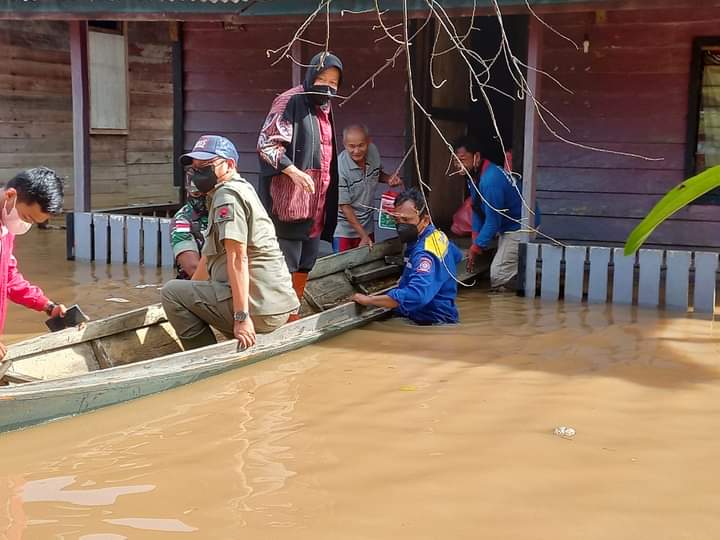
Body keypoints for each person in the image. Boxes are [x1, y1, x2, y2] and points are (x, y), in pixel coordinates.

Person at [162, 136, 299, 351]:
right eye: (195, 168)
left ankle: (201, 359)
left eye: (206, 167)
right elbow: (208, 258)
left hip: (259, 310)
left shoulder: (227, 197)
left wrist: (242, 317)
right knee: (184, 290)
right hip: (274, 303)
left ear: (230, 165)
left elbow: (238, 258)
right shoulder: (238, 189)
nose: (198, 174)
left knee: (170, 292)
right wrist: (191, 289)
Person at [257, 51, 342, 311]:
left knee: (307, 259)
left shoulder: (325, 106)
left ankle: (294, 309)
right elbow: (267, 145)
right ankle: (278, 313)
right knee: (286, 261)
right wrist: (293, 171)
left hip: (317, 201)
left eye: (334, 83)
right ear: (310, 76)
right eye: (322, 79)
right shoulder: (289, 101)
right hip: (291, 199)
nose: (327, 87)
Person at [352, 188, 461, 325]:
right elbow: (457, 255)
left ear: (425, 220)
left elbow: (417, 296)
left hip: (431, 322)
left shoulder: (425, 253)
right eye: (397, 219)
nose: (401, 225)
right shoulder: (436, 236)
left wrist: (370, 300)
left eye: (406, 220)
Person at [0, 167, 67, 360]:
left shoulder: (6, 226)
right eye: (27, 217)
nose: (25, 224)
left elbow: (8, 278)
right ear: (11, 195)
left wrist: (47, 306)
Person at [453, 135, 536, 291]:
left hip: (522, 224)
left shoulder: (489, 181)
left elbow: (493, 223)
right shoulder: (475, 174)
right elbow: (477, 208)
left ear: (476, 157)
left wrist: (475, 249)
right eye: (456, 160)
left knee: (498, 275)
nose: (458, 165)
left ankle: (525, 288)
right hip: (507, 223)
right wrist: (475, 239)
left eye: (462, 160)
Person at [334, 124, 403, 251]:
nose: (356, 150)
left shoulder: (373, 151)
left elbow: (376, 173)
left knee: (367, 265)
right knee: (343, 266)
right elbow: (345, 206)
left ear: (368, 141)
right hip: (344, 229)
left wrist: (389, 179)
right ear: (344, 144)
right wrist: (363, 236)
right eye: (352, 146)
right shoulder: (339, 168)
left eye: (361, 145)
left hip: (367, 225)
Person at [170, 182, 209, 280]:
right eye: (196, 194)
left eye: (207, 193)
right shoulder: (182, 220)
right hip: (201, 282)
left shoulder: (224, 212)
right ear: (188, 193)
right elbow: (193, 268)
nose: (203, 198)